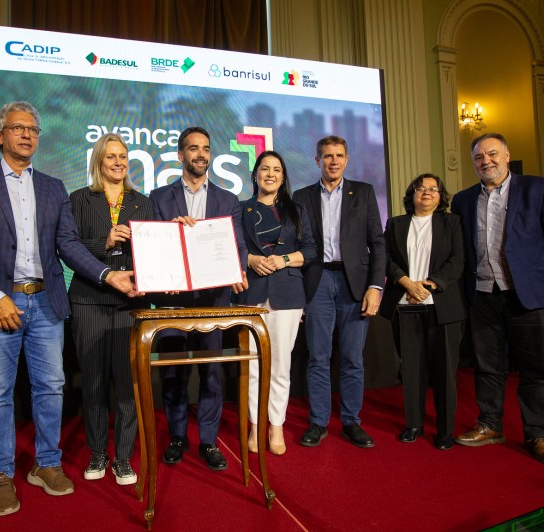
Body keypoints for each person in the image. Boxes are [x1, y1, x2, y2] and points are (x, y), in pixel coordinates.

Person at [0, 101, 136, 516]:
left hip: (46, 304)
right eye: (17, 128)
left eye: (33, 129)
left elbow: (67, 246)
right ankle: (1, 474)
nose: (27, 134)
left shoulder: (52, 186)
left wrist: (108, 276)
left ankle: (46, 464)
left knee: (51, 387)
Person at [450, 132, 544, 466]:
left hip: (529, 294)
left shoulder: (538, 189)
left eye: (492, 154)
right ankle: (490, 424)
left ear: (507, 155)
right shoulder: (463, 200)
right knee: (487, 367)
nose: (486, 161)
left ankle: (537, 434)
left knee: (535, 369)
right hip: (482, 296)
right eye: (479, 157)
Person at [149, 126, 248, 471]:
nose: (200, 154)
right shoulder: (158, 197)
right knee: (174, 373)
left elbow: (237, 246)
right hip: (172, 299)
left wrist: (237, 270)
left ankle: (208, 440)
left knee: (211, 374)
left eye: (206, 148)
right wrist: (171, 234)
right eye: (193, 148)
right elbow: (153, 247)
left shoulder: (228, 199)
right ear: (180, 155)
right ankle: (177, 436)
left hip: (214, 300)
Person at [293, 135, 386, 448]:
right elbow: (297, 246)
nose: (333, 161)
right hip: (317, 283)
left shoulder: (363, 192)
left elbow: (377, 243)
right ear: (317, 160)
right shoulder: (301, 196)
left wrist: (375, 287)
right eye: (327, 156)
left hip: (354, 285)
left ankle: (351, 422)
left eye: (339, 155)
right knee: (318, 358)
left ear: (346, 160)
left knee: (352, 359)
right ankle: (318, 423)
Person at [68, 133, 150, 485]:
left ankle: (123, 457)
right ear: (98, 161)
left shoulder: (142, 202)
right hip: (89, 298)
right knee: (95, 381)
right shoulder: (79, 199)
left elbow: (153, 246)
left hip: (130, 301)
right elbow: (67, 246)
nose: (118, 162)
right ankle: (98, 451)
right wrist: (104, 242)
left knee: (127, 381)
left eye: (123, 156)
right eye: (110, 157)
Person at [235, 150, 317, 455]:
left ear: (283, 178)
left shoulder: (295, 211)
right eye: (265, 169)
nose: (270, 174)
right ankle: (256, 426)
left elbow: (309, 251)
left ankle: (277, 424)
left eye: (277, 170)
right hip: (250, 295)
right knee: (254, 365)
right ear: (255, 174)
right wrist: (252, 260)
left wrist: (282, 260)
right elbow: (231, 247)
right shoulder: (240, 210)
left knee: (281, 365)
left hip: (288, 295)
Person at [381, 173, 465, 451]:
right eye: (421, 188)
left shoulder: (451, 222)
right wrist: (405, 282)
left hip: (441, 306)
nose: (427, 192)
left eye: (433, 189)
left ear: (441, 196)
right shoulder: (396, 224)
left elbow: (458, 260)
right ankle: (413, 424)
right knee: (412, 371)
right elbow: (385, 259)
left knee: (444, 372)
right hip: (405, 305)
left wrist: (431, 285)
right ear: (412, 194)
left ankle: (445, 429)